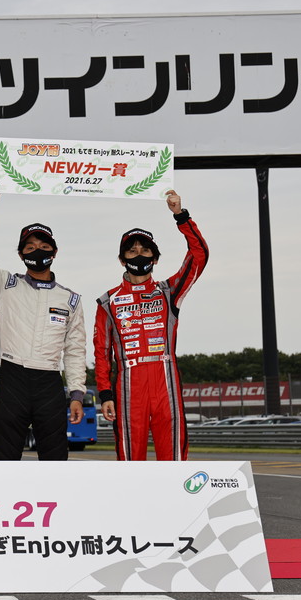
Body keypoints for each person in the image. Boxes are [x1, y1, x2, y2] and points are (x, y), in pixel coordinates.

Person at [0, 182, 86, 461]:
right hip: (13, 377)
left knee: (55, 460)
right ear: (20, 254)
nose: (37, 250)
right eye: (30, 247)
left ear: (54, 252)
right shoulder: (4, 284)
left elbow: (76, 350)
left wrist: (77, 393)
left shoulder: (70, 299)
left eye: (43, 246)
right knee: (4, 459)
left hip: (49, 381)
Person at [94, 189, 209, 461]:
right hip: (128, 384)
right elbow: (101, 353)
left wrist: (181, 216)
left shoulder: (169, 292)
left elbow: (199, 256)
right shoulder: (108, 301)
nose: (139, 255)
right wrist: (105, 394)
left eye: (145, 250)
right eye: (132, 251)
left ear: (155, 258)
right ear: (122, 259)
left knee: (174, 460)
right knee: (130, 462)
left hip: (165, 381)